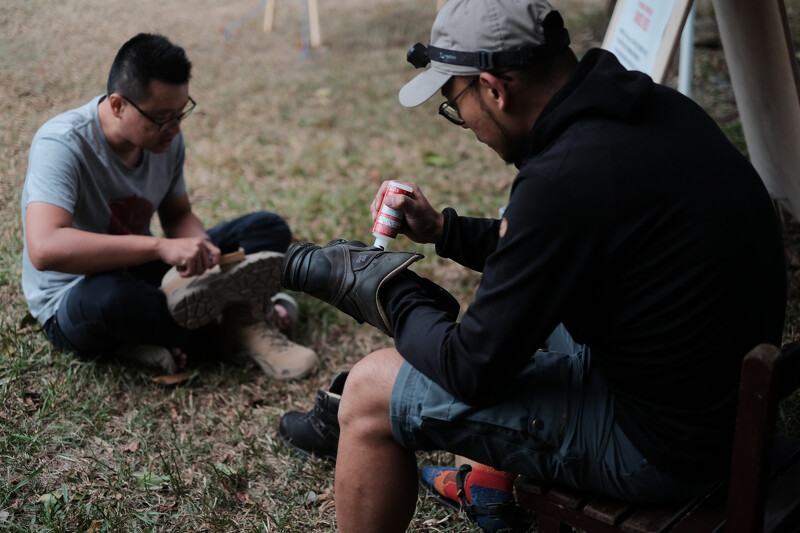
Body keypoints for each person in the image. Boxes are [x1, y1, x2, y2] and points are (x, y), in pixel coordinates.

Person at [279, 1, 787, 532]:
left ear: (495, 89)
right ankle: (490, 485)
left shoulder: (562, 178)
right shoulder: (654, 110)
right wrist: (443, 232)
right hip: (721, 410)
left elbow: (470, 369)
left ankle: (373, 425)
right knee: (525, 315)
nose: (465, 122)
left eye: (456, 105)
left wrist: (388, 290)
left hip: (665, 451)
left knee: (368, 391)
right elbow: (550, 247)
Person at [21, 33, 317, 379]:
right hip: (75, 294)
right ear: (118, 106)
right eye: (163, 117)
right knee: (113, 299)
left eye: (181, 113)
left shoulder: (166, 139)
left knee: (267, 228)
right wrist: (161, 246)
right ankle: (236, 322)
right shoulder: (62, 144)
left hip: (139, 267)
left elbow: (177, 215)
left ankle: (219, 321)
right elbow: (45, 248)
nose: (174, 129)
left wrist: (203, 252)